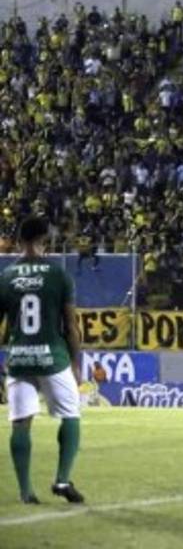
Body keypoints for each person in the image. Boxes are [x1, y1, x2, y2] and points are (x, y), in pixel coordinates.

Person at [0, 216, 86, 504]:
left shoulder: (6, 277)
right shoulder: (59, 275)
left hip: (20, 358)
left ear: (19, 240)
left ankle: (26, 491)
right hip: (52, 357)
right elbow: (71, 326)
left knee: (20, 423)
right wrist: (76, 363)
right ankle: (62, 479)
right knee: (70, 414)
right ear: (44, 240)